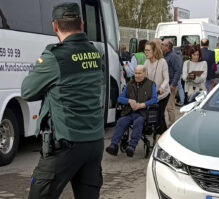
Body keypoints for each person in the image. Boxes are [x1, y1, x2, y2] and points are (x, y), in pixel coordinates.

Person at [21, 3, 105, 198]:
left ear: (54, 26)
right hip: (94, 142)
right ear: (82, 24)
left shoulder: (55, 56)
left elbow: (27, 91)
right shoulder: (95, 53)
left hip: (65, 142)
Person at [106, 65, 157, 157]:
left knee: (138, 122)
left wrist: (142, 104)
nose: (137, 75)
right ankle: (114, 145)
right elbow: (120, 98)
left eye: (139, 73)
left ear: (145, 74)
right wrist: (129, 101)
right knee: (121, 121)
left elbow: (154, 99)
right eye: (135, 73)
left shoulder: (151, 84)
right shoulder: (130, 84)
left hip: (142, 113)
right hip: (129, 112)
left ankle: (132, 146)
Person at [144, 41, 170, 137]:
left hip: (163, 94)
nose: (146, 52)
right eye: (145, 50)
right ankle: (161, 134)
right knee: (155, 116)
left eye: (148, 50)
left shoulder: (162, 62)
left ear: (154, 51)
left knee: (159, 115)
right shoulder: (146, 62)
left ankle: (163, 136)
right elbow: (144, 77)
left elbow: (167, 78)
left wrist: (162, 88)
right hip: (153, 94)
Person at [161, 39, 181, 126]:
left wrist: (173, 84)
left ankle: (172, 125)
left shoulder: (173, 56)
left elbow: (178, 71)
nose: (161, 46)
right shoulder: (164, 55)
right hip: (165, 85)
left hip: (170, 85)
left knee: (170, 107)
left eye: (163, 44)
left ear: (167, 47)